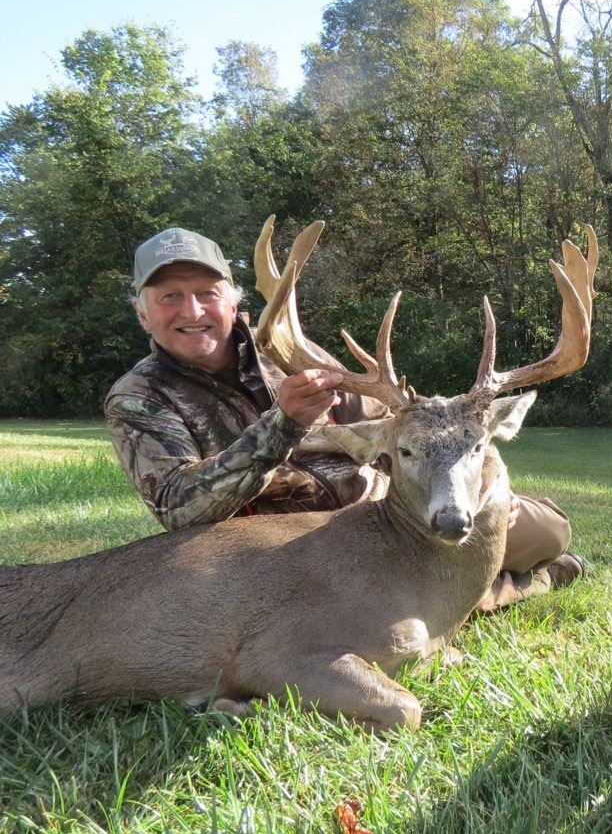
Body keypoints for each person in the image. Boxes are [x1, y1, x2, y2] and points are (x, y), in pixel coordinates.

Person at [105, 226, 583, 609]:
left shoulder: (293, 355)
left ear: (233, 302)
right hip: (294, 550)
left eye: (207, 293)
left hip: (396, 514)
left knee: (548, 531)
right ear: (142, 313)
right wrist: (283, 424)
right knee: (391, 600)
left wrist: (485, 489)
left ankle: (492, 571)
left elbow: (403, 430)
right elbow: (181, 510)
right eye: (169, 296)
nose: (192, 310)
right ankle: (515, 586)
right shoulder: (139, 397)